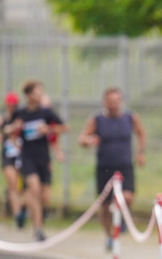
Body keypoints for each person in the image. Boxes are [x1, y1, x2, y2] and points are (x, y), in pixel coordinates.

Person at [78, 87, 147, 249]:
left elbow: (141, 133)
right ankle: (109, 235)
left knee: (127, 197)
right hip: (105, 167)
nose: (114, 105)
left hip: (124, 165)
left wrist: (140, 152)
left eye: (116, 101)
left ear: (121, 102)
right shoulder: (97, 119)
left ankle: (122, 219)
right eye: (110, 102)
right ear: (105, 102)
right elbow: (82, 138)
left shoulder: (130, 117)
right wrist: (89, 140)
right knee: (105, 206)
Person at [6, 81, 67, 241]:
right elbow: (7, 130)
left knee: (44, 196)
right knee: (34, 189)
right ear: (29, 95)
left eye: (42, 92)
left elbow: (64, 127)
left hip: (43, 157)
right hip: (28, 157)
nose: (40, 95)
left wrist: (49, 129)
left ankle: (32, 213)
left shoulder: (46, 113)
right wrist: (14, 130)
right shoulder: (20, 113)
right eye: (38, 92)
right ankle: (38, 229)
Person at [1, 92, 26, 228]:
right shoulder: (4, 120)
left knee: (22, 187)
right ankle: (17, 215)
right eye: (9, 105)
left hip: (22, 156)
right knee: (13, 185)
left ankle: (22, 208)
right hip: (8, 156)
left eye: (14, 105)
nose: (11, 107)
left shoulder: (22, 118)